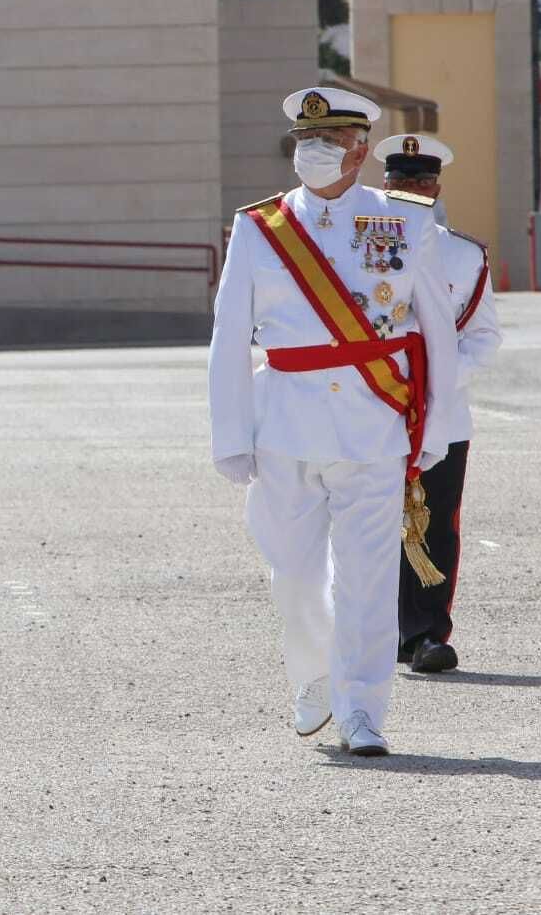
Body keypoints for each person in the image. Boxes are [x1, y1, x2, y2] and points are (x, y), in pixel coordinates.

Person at [208, 87, 457, 758]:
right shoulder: (260, 228)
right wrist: (230, 433)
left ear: (357, 149)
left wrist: (439, 425)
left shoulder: (404, 221)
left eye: (327, 142)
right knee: (292, 571)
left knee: (369, 575)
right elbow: (229, 334)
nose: (312, 154)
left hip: (372, 425)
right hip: (285, 422)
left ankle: (363, 709)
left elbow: (436, 330)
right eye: (303, 142)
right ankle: (313, 673)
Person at [374, 134, 503, 674]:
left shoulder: (464, 255)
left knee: (435, 522)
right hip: (370, 405)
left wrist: (437, 382)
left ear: (437, 187)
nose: (411, 191)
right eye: (401, 182)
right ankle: (373, 631)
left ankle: (425, 634)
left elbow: (483, 337)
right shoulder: (359, 251)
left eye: (421, 182)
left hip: (440, 412)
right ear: (384, 186)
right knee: (369, 519)